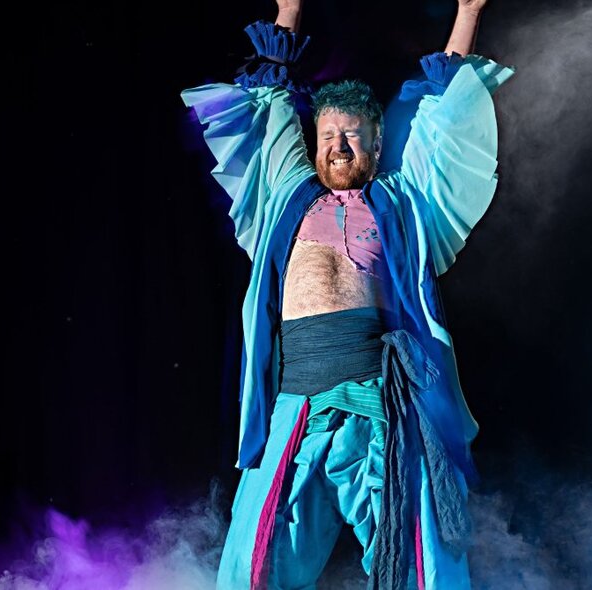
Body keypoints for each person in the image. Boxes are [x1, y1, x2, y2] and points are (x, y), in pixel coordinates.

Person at [181, 1, 514, 588]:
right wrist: (288, 10)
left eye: (352, 136)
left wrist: (468, 12)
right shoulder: (285, 198)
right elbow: (271, 106)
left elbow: (442, 122)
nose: (338, 145)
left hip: (382, 405)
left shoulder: (406, 204)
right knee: (252, 566)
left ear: (376, 146)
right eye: (329, 134)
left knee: (421, 563)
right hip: (297, 405)